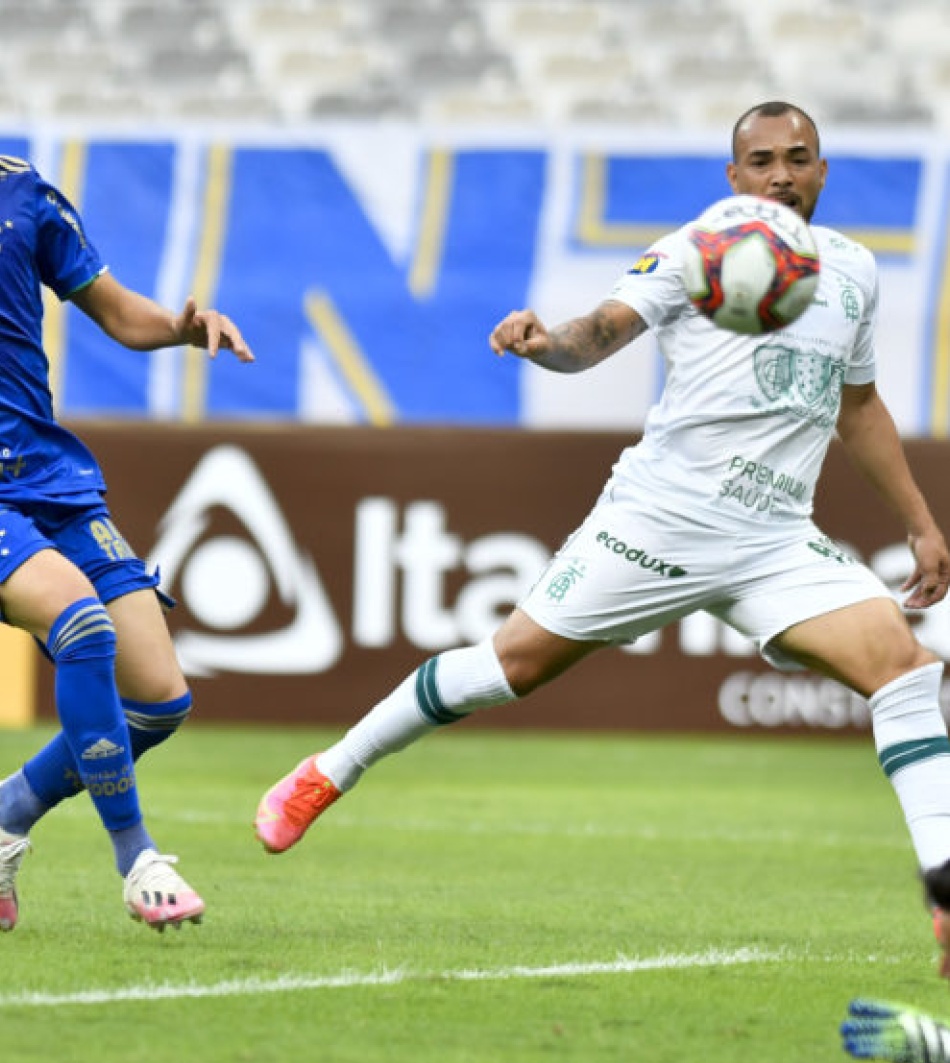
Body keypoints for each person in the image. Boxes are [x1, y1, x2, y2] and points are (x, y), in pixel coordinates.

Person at [254, 101, 950, 976]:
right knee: (512, 666)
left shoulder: (851, 271)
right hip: (658, 518)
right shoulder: (693, 249)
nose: (781, 174)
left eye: (798, 158)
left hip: (775, 539)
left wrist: (921, 524)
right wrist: (545, 344)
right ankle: (331, 769)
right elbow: (598, 335)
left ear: (822, 170)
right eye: (762, 160)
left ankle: (943, 891)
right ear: (734, 178)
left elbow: (859, 407)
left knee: (909, 674)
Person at [0, 155, 253, 934]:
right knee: (82, 625)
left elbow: (114, 310)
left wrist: (179, 329)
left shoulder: (23, 190)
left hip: (49, 475)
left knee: (159, 698)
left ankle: (8, 813)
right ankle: (137, 857)